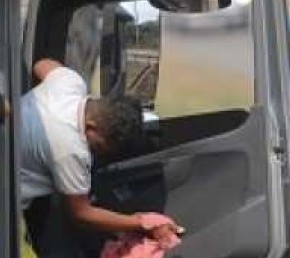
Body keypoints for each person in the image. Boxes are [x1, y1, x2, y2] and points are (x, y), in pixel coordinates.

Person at [18, 59, 177, 238]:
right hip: (2, 199)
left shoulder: (70, 82)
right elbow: (81, 214)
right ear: (92, 127)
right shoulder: (71, 150)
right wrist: (141, 223)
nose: (97, 155)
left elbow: (41, 65)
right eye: (99, 147)